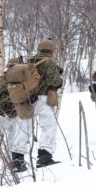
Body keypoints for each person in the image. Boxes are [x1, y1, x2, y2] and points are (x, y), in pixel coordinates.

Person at [27, 39, 64, 167]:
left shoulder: (29, 61)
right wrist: (60, 80)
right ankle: (45, 157)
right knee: (48, 127)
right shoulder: (49, 62)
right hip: (43, 98)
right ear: (51, 50)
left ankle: (17, 159)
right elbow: (54, 82)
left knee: (24, 129)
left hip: (29, 98)